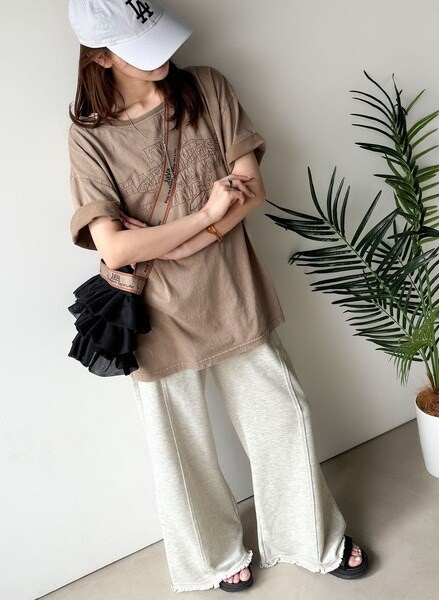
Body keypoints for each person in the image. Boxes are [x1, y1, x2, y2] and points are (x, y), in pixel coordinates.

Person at [66, 0, 369, 593]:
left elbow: (252, 188)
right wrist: (205, 216)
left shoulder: (207, 88)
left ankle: (310, 538)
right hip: (152, 316)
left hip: (231, 290)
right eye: (138, 49)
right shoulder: (89, 136)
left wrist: (180, 240)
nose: (162, 56)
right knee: (180, 452)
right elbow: (115, 248)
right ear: (101, 57)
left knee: (284, 418)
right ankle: (211, 558)